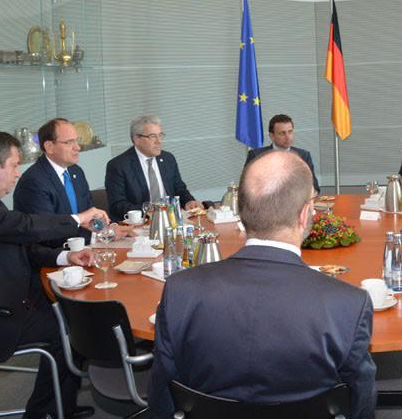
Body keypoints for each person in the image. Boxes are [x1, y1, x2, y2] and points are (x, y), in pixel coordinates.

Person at [148, 150, 376, 418]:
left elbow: (161, 392)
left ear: (241, 211)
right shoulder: (348, 304)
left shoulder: (180, 291)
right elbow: (360, 402)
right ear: (305, 215)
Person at [0, 130, 107, 418]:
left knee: (74, 313)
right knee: (72, 329)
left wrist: (65, 256)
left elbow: (19, 245)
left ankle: (60, 406)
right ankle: (44, 412)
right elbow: (22, 227)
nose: (18, 173)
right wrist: (78, 219)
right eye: (14, 165)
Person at [13, 118, 120, 246]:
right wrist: (99, 236)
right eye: (69, 142)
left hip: (85, 248)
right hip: (56, 254)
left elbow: (90, 215)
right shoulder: (34, 181)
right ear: (49, 147)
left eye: (77, 140)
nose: (78, 147)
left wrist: (107, 229)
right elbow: (48, 233)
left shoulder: (76, 171)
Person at [105, 115, 203, 221]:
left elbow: (179, 189)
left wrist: (189, 201)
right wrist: (151, 211)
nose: (159, 141)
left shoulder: (168, 158)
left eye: (160, 135)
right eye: (152, 136)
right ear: (136, 138)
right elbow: (117, 204)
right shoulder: (118, 165)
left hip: (171, 220)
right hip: (140, 223)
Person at [244, 114, 319, 192]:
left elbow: (314, 187)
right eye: (282, 133)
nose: (288, 137)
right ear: (272, 136)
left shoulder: (304, 156)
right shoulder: (256, 156)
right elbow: (245, 187)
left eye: (290, 132)